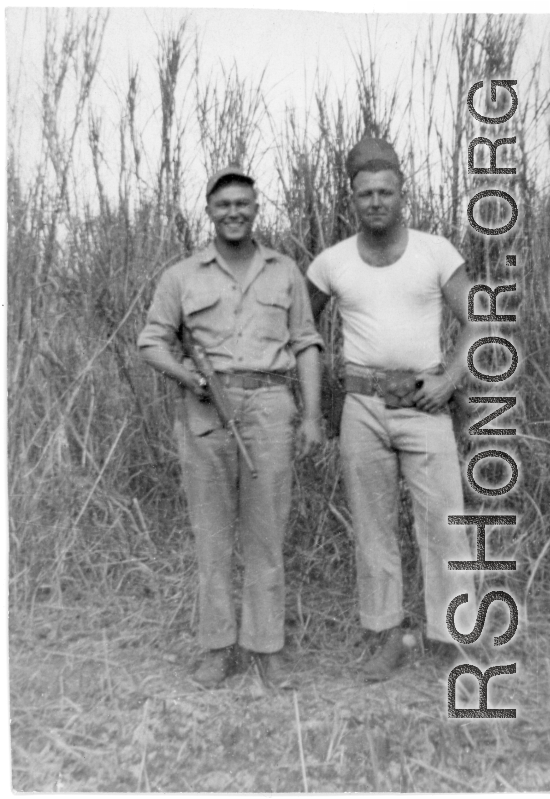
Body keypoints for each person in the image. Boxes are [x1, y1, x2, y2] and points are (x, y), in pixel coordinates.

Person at [138, 166, 323, 688]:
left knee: (267, 535)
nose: (234, 212)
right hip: (205, 412)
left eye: (243, 203)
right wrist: (189, 376)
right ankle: (218, 647)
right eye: (224, 205)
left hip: (269, 405)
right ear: (210, 212)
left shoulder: (285, 270)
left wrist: (310, 416)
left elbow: (306, 343)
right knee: (213, 538)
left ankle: (267, 648)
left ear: (256, 209)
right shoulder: (181, 276)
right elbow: (151, 341)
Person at [307, 138, 476, 682]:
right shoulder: (330, 262)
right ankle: (386, 635)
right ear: (351, 199)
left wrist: (450, 376)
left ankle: (450, 635)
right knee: (373, 526)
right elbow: (298, 330)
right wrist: (329, 399)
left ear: (403, 193)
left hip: (425, 405)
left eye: (386, 191)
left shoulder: (435, 251)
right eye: (365, 194)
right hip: (363, 408)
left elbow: (481, 317)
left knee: (446, 522)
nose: (375, 201)